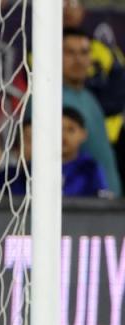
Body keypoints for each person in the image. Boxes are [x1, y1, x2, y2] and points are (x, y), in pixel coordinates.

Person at [62, 27, 122, 197]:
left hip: (107, 202)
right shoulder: (47, 100)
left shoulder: (91, 98)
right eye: (70, 53)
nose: (78, 60)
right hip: (73, 204)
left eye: (84, 52)